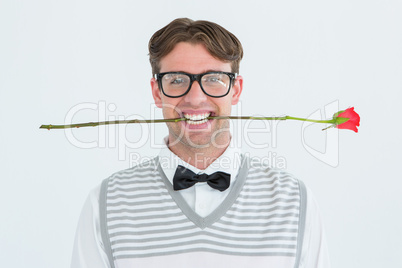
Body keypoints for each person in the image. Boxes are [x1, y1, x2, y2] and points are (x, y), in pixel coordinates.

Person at [71, 18, 330, 268]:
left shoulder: (294, 201)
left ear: (236, 89)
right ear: (156, 91)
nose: (195, 99)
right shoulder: (106, 203)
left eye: (213, 79)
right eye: (177, 80)